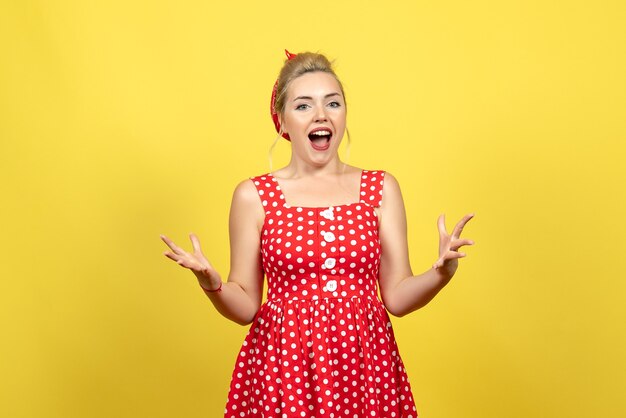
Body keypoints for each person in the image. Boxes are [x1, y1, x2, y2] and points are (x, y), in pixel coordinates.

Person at [160, 50, 474, 417]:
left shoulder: (381, 188)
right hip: (284, 369)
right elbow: (245, 306)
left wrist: (440, 275)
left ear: (344, 115)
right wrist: (211, 283)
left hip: (365, 368)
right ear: (281, 122)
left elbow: (398, 298)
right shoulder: (253, 196)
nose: (321, 115)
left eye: (333, 103)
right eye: (304, 106)